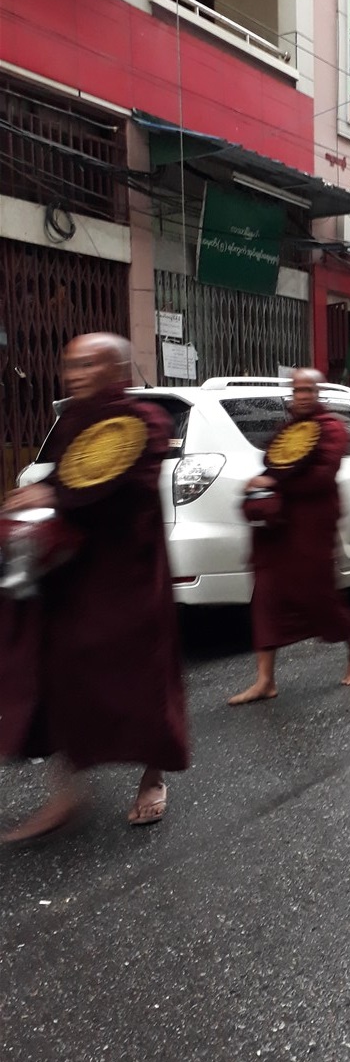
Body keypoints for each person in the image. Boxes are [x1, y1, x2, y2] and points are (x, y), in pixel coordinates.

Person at [0, 333, 189, 844]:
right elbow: (66, 477)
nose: (75, 374)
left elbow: (114, 481)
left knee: (142, 678)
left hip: (127, 572)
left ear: (117, 369)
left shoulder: (145, 421)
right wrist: (39, 501)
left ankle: (152, 775)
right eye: (69, 365)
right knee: (57, 674)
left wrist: (52, 493)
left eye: (87, 364)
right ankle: (65, 794)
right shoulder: (71, 422)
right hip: (75, 571)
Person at [228, 369, 350, 704]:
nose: (302, 396)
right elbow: (275, 466)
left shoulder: (331, 428)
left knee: (320, 595)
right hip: (279, 527)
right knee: (266, 597)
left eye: (308, 390)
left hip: (313, 524)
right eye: (296, 390)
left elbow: (322, 475)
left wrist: (275, 484)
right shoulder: (286, 430)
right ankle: (265, 681)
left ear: (318, 393)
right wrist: (259, 483)